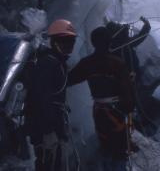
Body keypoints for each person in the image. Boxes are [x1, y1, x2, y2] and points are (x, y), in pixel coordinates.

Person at [68, 26, 138, 171]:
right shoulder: (117, 63)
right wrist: (129, 109)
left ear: (93, 42)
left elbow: (69, 79)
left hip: (99, 112)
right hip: (116, 112)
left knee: (105, 144)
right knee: (119, 150)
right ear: (109, 42)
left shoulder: (86, 63)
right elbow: (127, 94)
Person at [24, 19, 77, 171]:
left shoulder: (56, 62)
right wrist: (50, 131)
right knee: (47, 164)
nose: (70, 46)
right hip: (44, 129)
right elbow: (41, 99)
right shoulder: (48, 63)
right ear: (54, 42)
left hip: (51, 126)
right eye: (65, 41)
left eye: (71, 41)